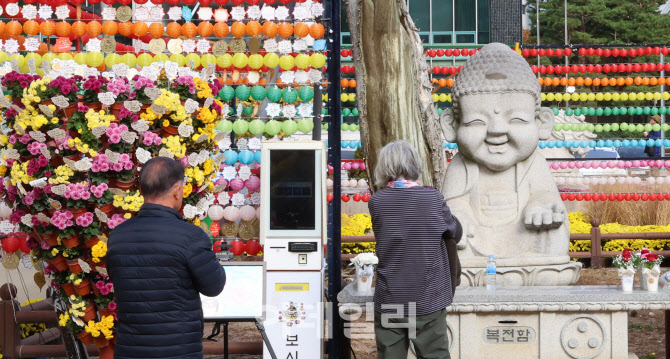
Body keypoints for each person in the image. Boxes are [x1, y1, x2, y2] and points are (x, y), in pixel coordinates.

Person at [107, 157, 226, 359]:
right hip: (179, 349)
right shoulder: (190, 236)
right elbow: (214, 286)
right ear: (177, 190)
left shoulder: (118, 235)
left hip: (130, 349)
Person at [368, 140, 462, 359]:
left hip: (390, 296)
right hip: (429, 296)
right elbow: (454, 232)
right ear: (415, 164)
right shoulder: (432, 198)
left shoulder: (376, 201)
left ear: (384, 167)